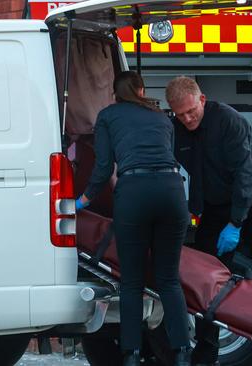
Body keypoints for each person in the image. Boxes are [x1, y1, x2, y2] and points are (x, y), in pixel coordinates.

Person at [75, 71, 191, 366]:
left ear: (115, 94)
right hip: (171, 192)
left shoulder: (108, 116)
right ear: (140, 90)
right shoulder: (163, 118)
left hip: (135, 193)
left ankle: (132, 355)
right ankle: (180, 354)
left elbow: (102, 168)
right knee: (168, 280)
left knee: (131, 282)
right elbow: (170, 156)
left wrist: (83, 200)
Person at [165, 76, 252, 365]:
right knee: (205, 278)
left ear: (202, 100)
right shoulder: (177, 130)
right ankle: (206, 353)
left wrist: (236, 223)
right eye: (180, 114)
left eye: (191, 111)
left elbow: (245, 176)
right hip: (214, 204)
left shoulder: (228, 121)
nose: (187, 119)